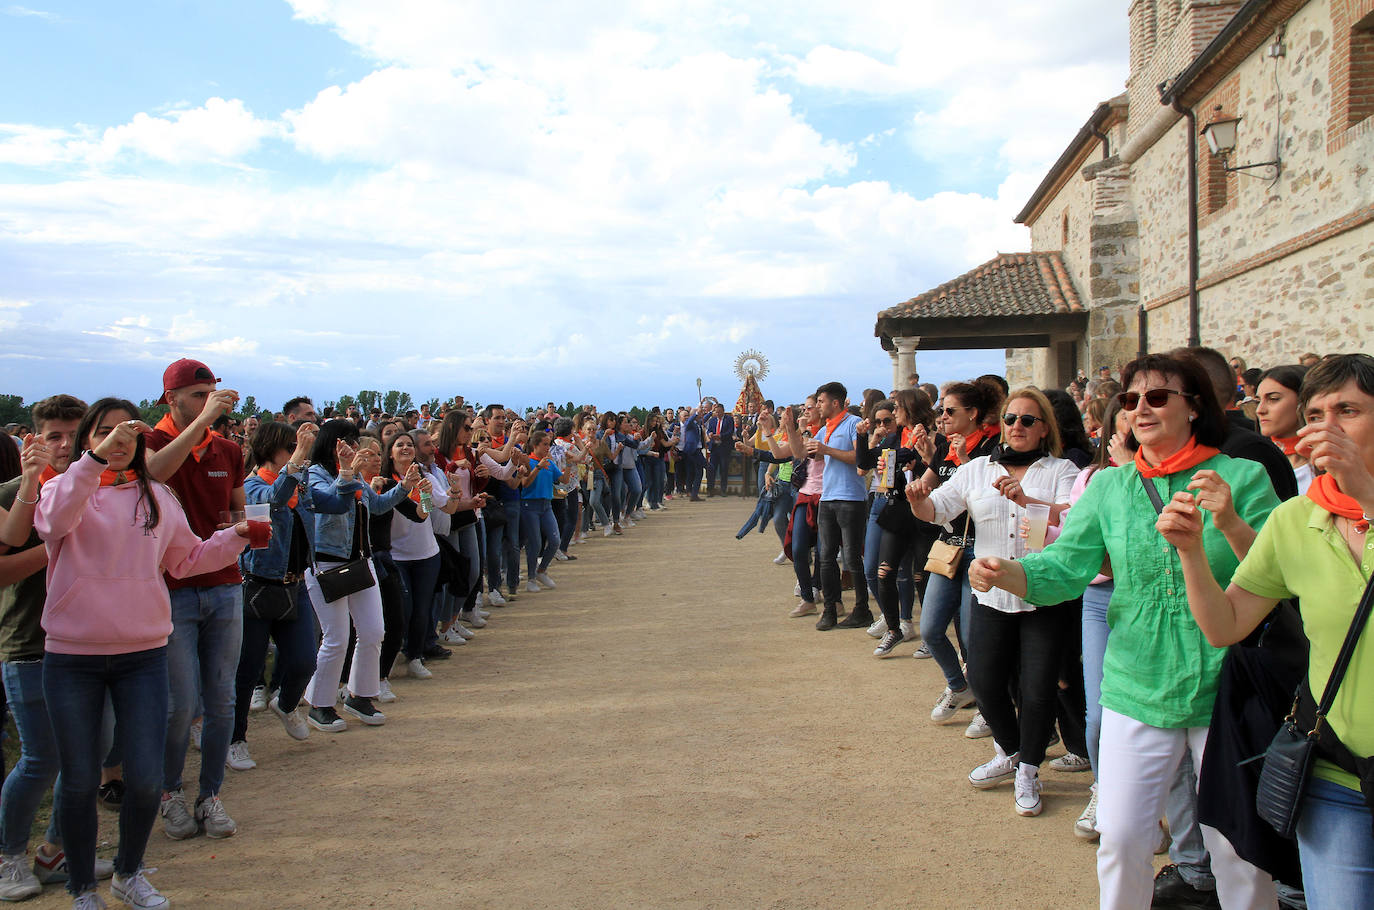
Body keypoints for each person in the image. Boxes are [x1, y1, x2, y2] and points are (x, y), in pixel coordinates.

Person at [968, 353, 1280, 909]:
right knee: (1122, 838)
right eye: (1131, 400)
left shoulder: (1241, 476)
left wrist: (1230, 521)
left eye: (1157, 397)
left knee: (1237, 851)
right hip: (1138, 682)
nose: (1139, 408)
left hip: (1225, 684)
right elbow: (1066, 566)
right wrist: (1009, 572)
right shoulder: (1112, 488)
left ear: (1194, 406)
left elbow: (1275, 573)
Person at [1163, 354, 1374, 910]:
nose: (1328, 427)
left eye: (1348, 411)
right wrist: (1189, 551)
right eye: (1317, 413)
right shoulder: (1296, 519)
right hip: (1338, 777)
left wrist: (1366, 490)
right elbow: (1225, 625)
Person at [35, 399, 253, 910]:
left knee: (147, 778)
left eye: (126, 433)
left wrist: (234, 539)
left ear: (140, 443)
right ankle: (82, 888)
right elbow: (50, 525)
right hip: (72, 657)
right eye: (105, 432)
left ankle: (129, 873)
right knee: (80, 778)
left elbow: (187, 559)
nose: (116, 441)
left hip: (143, 653)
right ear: (88, 439)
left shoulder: (157, 496)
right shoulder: (64, 490)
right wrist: (92, 463)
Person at [906, 388, 1079, 815]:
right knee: (983, 679)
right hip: (989, 593)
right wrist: (918, 503)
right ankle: (1012, 750)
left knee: (1037, 690)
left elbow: (1076, 517)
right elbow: (939, 509)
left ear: (1044, 429)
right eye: (1010, 419)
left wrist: (1029, 501)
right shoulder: (977, 469)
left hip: (1043, 592)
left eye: (1027, 420)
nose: (1016, 427)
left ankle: (1030, 770)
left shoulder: (1062, 469)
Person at [0, 395, 105, 900]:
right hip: (27, 643)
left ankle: (54, 852)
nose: (64, 446)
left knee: (83, 757)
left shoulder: (100, 491)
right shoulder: (8, 496)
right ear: (34, 440)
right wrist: (55, 544)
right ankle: (7, 858)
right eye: (53, 436)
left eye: (73, 434)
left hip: (89, 643)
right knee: (41, 759)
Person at [142, 359, 246, 841]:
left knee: (221, 699)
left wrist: (238, 524)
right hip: (172, 588)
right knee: (180, 704)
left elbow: (239, 504)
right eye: (198, 395)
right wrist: (203, 425)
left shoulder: (227, 448)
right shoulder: (150, 441)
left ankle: (211, 794)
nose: (209, 403)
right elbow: (154, 475)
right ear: (172, 399)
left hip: (223, 581)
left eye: (212, 394)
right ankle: (169, 793)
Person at [302, 420, 415, 731]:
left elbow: (376, 506)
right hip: (327, 563)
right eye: (348, 443)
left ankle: (360, 695)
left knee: (373, 630)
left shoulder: (351, 474)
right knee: (336, 637)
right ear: (332, 444)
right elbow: (332, 504)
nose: (353, 449)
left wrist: (405, 487)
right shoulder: (314, 475)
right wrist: (346, 471)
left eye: (353, 443)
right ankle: (320, 704)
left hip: (360, 560)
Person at [229, 421, 320, 771]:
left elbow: (329, 503)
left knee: (304, 659)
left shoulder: (300, 485)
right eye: (292, 448)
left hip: (294, 585)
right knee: (247, 669)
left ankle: (285, 703)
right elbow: (273, 500)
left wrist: (348, 472)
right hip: (258, 586)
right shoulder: (252, 486)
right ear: (272, 449)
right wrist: (297, 462)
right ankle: (235, 738)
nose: (300, 455)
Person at [914, 379, 1003, 731]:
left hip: (980, 547)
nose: (943, 417)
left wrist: (966, 459)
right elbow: (930, 484)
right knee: (931, 629)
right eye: (941, 411)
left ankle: (987, 703)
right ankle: (959, 686)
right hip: (949, 544)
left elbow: (988, 492)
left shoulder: (995, 444)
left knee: (971, 635)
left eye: (950, 411)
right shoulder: (945, 446)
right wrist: (916, 487)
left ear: (973, 414)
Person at [806, 382, 871, 632]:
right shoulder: (825, 429)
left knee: (853, 558)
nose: (818, 406)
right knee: (825, 557)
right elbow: (816, 454)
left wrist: (826, 449)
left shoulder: (854, 423)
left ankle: (862, 609)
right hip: (828, 497)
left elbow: (859, 458)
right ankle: (831, 608)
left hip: (850, 498)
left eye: (821, 401)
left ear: (835, 403)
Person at [519, 432, 566, 593]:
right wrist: (538, 467)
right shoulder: (528, 461)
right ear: (535, 445)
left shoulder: (549, 462)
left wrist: (569, 464)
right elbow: (525, 483)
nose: (548, 448)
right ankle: (531, 578)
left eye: (549, 444)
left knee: (555, 540)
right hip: (529, 505)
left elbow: (563, 479)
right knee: (535, 543)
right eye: (545, 444)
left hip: (546, 505)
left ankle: (541, 570)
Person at [1255, 364, 1313, 495]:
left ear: (1303, 402)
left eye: (1273, 399)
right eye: (1257, 401)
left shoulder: (1331, 463)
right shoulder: (1251, 462)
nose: (1260, 410)